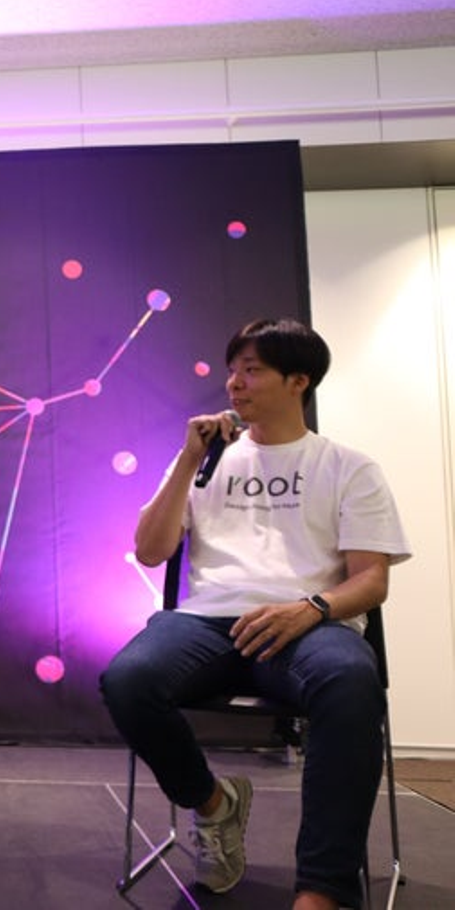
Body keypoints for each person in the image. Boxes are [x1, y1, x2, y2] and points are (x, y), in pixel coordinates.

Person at [100, 318, 410, 910]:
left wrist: (311, 608)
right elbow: (150, 551)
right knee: (128, 679)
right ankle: (215, 805)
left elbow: (372, 580)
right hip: (207, 622)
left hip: (309, 623)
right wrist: (188, 460)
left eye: (252, 370)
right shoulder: (206, 461)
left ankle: (323, 890)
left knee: (350, 682)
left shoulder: (348, 467)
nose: (234, 383)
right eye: (232, 370)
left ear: (298, 381)